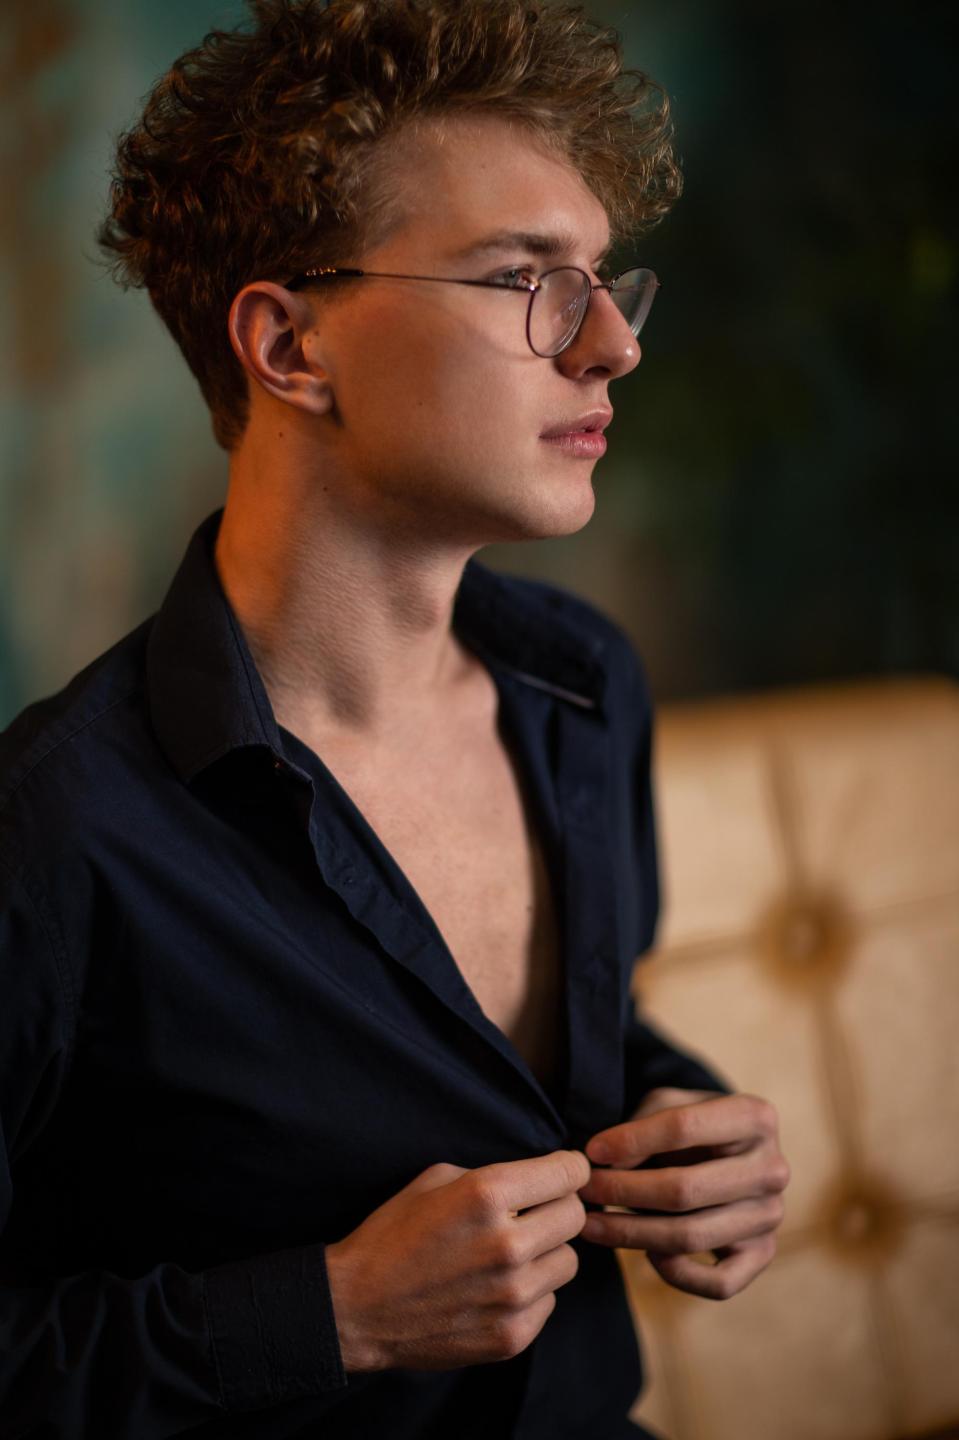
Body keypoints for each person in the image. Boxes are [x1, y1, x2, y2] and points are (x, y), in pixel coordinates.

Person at [0, 1, 790, 1436]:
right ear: (288, 346)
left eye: (606, 282)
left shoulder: (584, 687)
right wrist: (331, 1315)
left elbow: (560, 1050)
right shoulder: (51, 829)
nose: (614, 345)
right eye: (526, 280)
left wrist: (681, 1132)